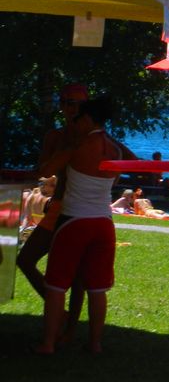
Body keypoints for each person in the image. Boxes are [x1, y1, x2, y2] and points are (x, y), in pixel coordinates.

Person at [37, 96, 129, 354]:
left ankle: (48, 343)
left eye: (78, 119)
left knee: (55, 285)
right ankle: (95, 343)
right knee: (97, 288)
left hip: (74, 221)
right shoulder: (115, 149)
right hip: (104, 222)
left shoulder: (78, 145)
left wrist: (63, 149)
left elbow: (45, 170)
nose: (74, 123)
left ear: (87, 118)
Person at [18, 85, 89, 320]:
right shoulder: (56, 136)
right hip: (59, 207)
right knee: (25, 260)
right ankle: (62, 313)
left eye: (81, 104)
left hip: (83, 210)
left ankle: (70, 326)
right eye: (70, 103)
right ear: (61, 106)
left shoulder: (95, 136)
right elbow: (42, 170)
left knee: (79, 274)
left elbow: (125, 159)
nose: (75, 109)